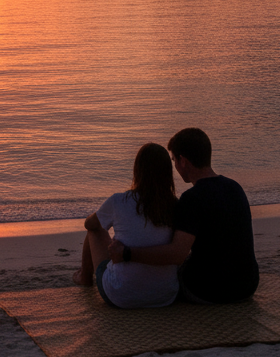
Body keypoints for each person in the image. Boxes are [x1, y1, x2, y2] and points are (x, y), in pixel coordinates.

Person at [108, 127, 259, 303]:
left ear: (183, 161)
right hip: (247, 285)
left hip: (210, 291)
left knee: (173, 273)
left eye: (174, 161)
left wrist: (127, 253)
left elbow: (176, 254)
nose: (175, 168)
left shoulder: (192, 199)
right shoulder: (235, 188)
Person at [72, 142, 179, 308]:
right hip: (165, 295)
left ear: (137, 171)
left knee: (94, 230)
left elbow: (89, 224)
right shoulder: (175, 206)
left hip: (120, 295)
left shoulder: (119, 201)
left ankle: (85, 278)